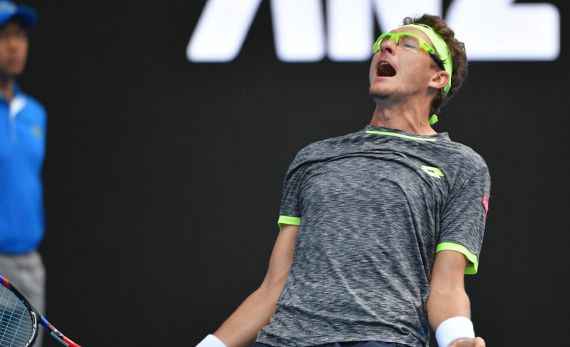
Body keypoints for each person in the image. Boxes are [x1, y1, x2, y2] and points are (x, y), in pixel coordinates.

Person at [197, 14, 490, 347]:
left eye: (408, 43)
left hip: (384, 340)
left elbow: (447, 286)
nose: (387, 46)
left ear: (438, 77)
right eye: (383, 42)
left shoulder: (460, 165)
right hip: (284, 340)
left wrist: (458, 339)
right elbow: (272, 288)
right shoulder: (313, 157)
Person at [0, 2, 46, 347]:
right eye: (3, 36)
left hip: (29, 265)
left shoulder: (35, 114)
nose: (14, 45)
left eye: (19, 35)